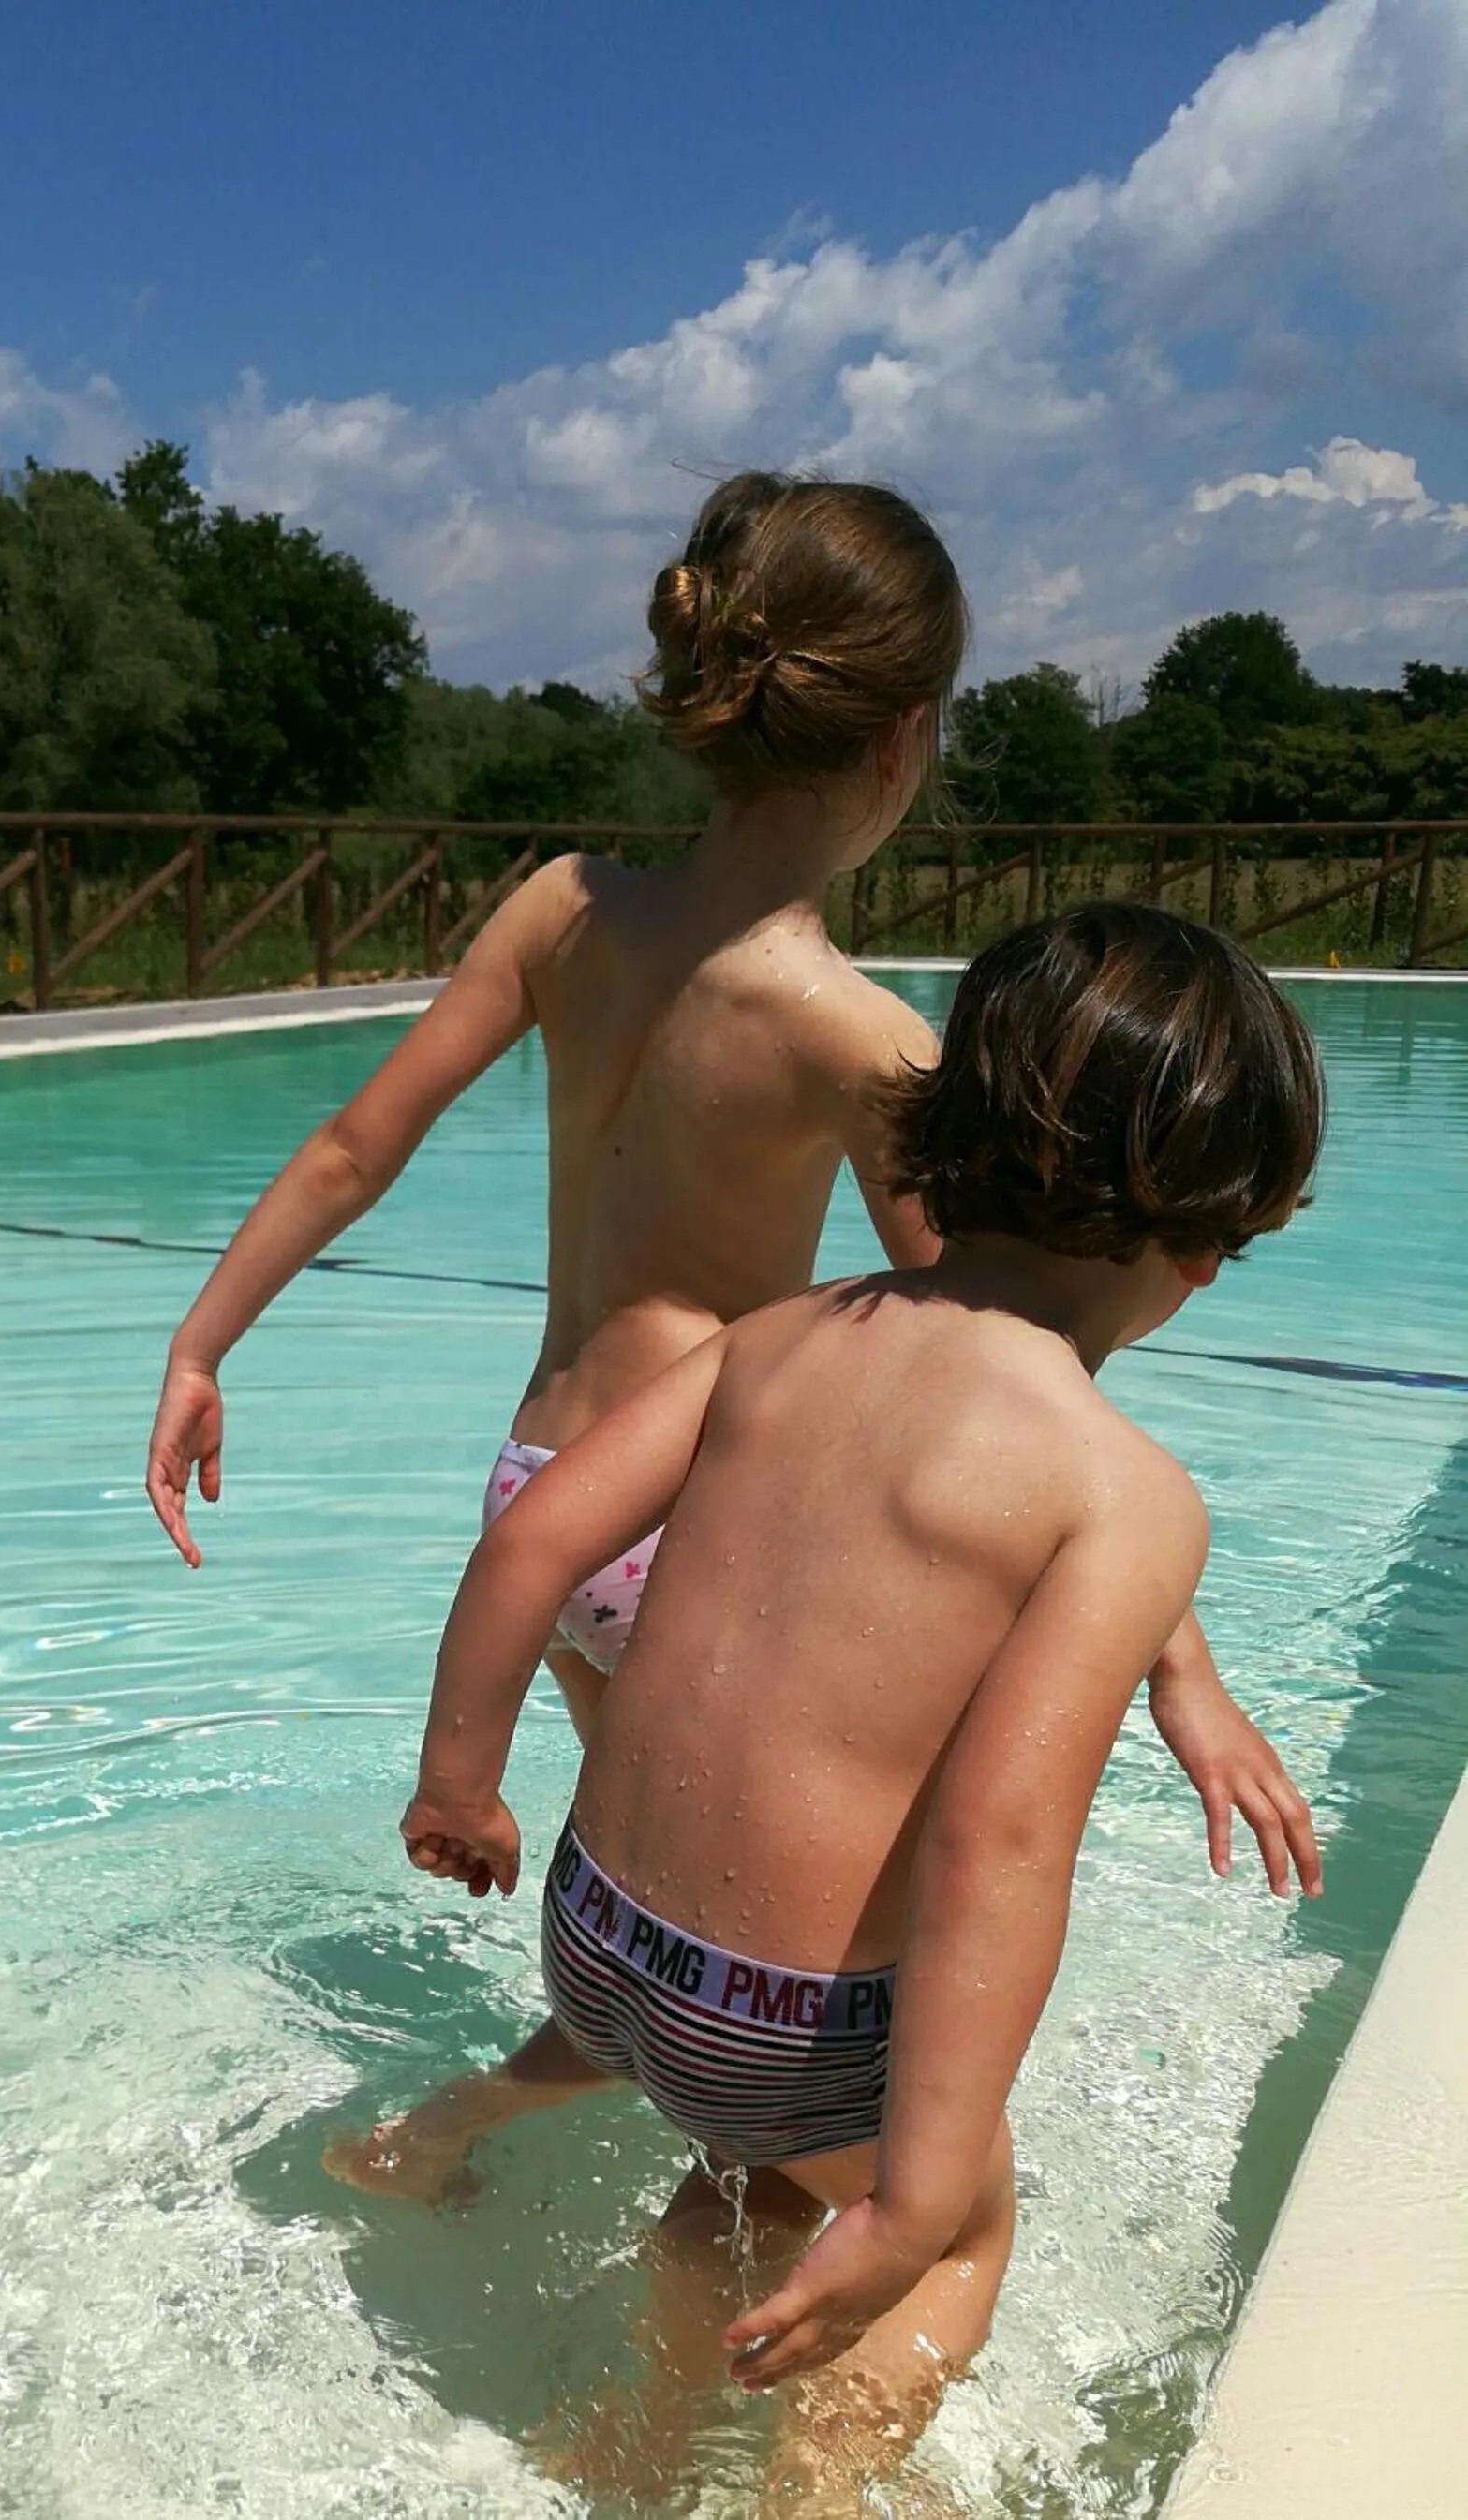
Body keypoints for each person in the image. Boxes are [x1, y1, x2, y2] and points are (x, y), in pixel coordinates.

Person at [146, 468, 1316, 1889]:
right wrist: (1175, 1663)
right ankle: (497, 2117)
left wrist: (201, 1343)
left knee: (649, 1899)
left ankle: (481, 2112)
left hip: (539, 1494)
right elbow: (1014, 1347)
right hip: (682, 1525)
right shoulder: (853, 1029)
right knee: (790, 1935)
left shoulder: (561, 904)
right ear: (904, 737)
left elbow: (351, 1148)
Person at [360, 905, 1327, 2509]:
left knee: (747, 2177)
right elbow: (1000, 1841)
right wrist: (922, 2198)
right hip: (786, 2028)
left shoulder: (777, 1336)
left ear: (939, 1142)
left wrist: (459, 1785)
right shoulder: (1124, 1493)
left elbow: (531, 1537)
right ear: (1213, 1245)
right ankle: (821, 2486)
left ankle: (634, 2442)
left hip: (598, 1947)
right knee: (957, 2228)